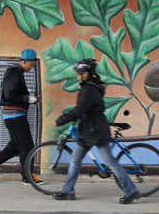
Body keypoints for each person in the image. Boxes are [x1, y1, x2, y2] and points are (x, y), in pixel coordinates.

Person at [52, 58, 141, 204]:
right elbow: (84, 110)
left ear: (88, 73)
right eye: (78, 73)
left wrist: (61, 120)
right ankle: (68, 191)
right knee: (75, 159)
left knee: (110, 162)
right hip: (89, 130)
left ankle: (131, 191)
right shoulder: (90, 87)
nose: (78, 76)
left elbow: (80, 110)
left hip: (96, 131)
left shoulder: (89, 90)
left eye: (81, 73)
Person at [0, 48, 43, 185]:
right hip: (15, 116)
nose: (31, 68)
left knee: (15, 146)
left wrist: (30, 99)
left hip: (13, 116)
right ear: (24, 61)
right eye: (31, 65)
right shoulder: (14, 72)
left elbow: (12, 94)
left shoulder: (17, 73)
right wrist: (28, 99)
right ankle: (28, 176)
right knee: (28, 145)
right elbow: (10, 95)